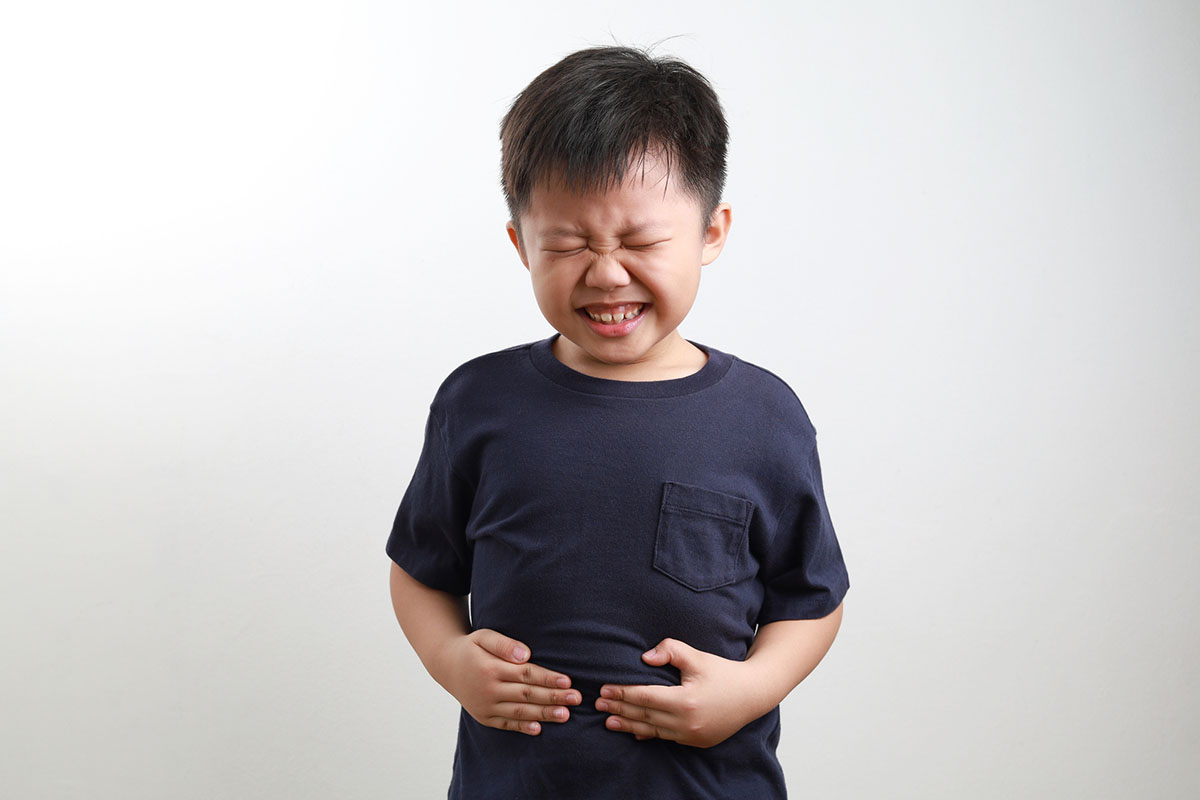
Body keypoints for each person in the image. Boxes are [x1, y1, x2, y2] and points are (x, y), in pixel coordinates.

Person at [387, 45, 849, 799]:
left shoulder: (764, 417)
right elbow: (420, 571)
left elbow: (812, 600)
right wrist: (450, 661)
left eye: (642, 242)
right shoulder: (478, 402)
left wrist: (749, 690)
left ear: (711, 232)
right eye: (568, 244)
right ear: (521, 244)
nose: (606, 272)